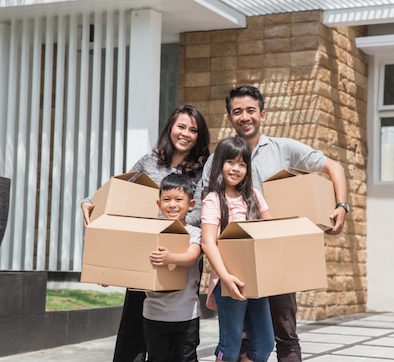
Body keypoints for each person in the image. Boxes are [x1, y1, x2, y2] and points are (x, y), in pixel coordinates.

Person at [202, 85, 349, 362]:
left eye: (250, 110)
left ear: (262, 114)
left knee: (284, 334)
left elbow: (334, 167)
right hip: (238, 263)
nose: (244, 116)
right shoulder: (216, 160)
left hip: (275, 257)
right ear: (229, 117)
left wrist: (341, 206)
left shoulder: (284, 148)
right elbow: (203, 213)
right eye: (237, 112)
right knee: (242, 339)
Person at [81, 105, 210, 362]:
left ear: (199, 136)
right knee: (134, 325)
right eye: (181, 126)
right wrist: (90, 200)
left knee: (177, 331)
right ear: (170, 128)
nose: (185, 134)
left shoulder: (203, 168)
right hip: (144, 249)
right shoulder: (149, 160)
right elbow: (121, 189)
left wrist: (170, 223)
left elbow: (203, 210)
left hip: (181, 252)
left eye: (193, 130)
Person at [201, 136, 275, 362]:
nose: (236, 168)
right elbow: (208, 242)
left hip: (255, 281)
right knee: (230, 346)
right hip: (227, 281)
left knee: (264, 344)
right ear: (220, 164)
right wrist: (225, 277)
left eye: (242, 164)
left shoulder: (253, 195)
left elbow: (271, 231)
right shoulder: (213, 200)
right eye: (231, 162)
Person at [144, 173, 203, 362]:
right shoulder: (151, 232)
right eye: (166, 199)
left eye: (179, 199)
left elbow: (191, 257)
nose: (172, 204)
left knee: (186, 359)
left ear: (191, 204)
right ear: (158, 203)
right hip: (154, 314)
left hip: (186, 314)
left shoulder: (194, 233)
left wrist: (171, 257)